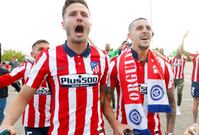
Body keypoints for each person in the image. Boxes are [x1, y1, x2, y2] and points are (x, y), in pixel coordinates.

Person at [0, 0, 126, 134]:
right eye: (72, 14)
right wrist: (7, 123)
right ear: (63, 24)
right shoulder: (48, 56)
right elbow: (23, 97)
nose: (79, 17)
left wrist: (115, 124)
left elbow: (104, 101)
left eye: (84, 14)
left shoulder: (103, 58)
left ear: (90, 24)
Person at [107, 17, 176, 135]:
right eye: (139, 28)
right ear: (129, 36)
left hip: (153, 131)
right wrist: (115, 125)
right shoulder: (115, 64)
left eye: (148, 28)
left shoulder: (164, 66)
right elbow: (106, 100)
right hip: (126, 132)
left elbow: (171, 102)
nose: (145, 31)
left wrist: (169, 132)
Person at [0, 39, 50, 135]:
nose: (45, 52)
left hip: (54, 122)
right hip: (33, 122)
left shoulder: (57, 68)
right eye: (41, 49)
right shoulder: (26, 67)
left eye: (48, 49)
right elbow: (5, 79)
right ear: (32, 54)